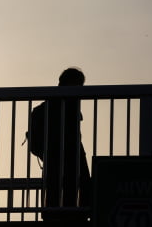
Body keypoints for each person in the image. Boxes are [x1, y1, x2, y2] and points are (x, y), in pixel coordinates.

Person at [40, 67, 91, 222]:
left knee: (56, 184)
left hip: (54, 153)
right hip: (68, 151)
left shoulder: (49, 104)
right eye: (79, 85)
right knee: (77, 181)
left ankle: (54, 214)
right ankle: (78, 214)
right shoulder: (64, 103)